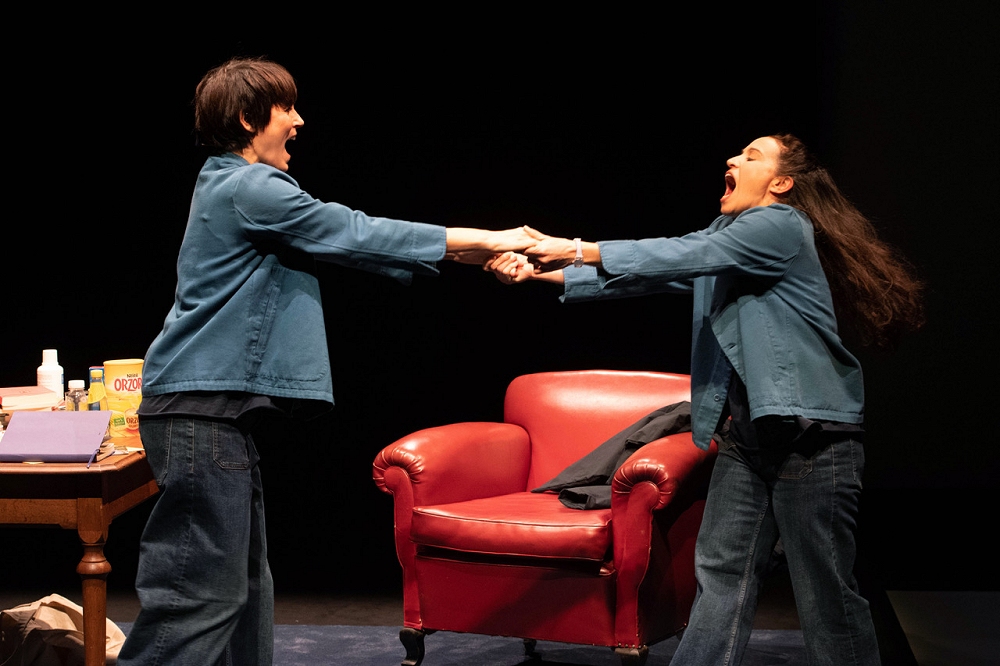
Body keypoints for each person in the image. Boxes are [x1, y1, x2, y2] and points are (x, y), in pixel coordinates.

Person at [117, 57, 534, 666]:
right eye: (287, 107)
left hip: (212, 417)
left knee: (245, 593)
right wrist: (493, 238)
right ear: (245, 116)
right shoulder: (250, 186)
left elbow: (357, 248)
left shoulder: (232, 187)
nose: (299, 120)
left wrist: (484, 257)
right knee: (199, 596)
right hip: (198, 413)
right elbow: (357, 231)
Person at [486, 134, 924, 666]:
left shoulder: (778, 225)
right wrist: (541, 272)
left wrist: (574, 247)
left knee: (824, 590)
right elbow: (651, 275)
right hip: (748, 436)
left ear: (782, 183)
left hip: (812, 437)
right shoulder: (731, 237)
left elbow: (681, 252)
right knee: (721, 575)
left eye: (751, 156)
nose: (732, 160)